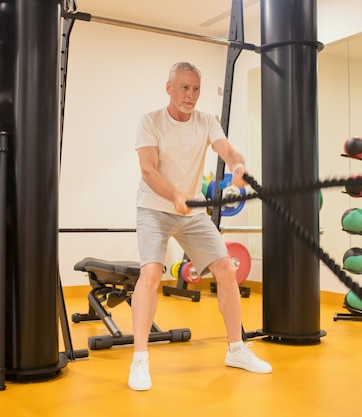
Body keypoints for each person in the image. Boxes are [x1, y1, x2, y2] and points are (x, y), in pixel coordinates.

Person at [129, 61, 272, 391]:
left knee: (225, 267)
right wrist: (175, 194)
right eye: (184, 87)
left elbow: (230, 151)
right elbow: (148, 171)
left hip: (191, 213)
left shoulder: (206, 121)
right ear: (169, 88)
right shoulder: (150, 122)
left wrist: (238, 166)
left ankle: (236, 349)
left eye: (195, 89)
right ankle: (140, 358)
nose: (190, 95)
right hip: (154, 208)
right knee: (151, 273)